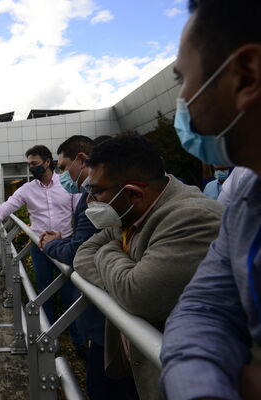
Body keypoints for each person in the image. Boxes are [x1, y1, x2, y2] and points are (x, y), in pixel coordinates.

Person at [160, 1, 261, 399]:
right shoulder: (246, 205)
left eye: (181, 80)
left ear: (245, 77)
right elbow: (203, 309)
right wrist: (202, 389)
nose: (182, 101)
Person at [72, 135, 223, 400]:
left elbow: (137, 294)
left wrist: (109, 250)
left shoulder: (192, 217)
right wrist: (123, 272)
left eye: (95, 192)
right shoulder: (131, 210)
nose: (89, 201)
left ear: (133, 193)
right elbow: (83, 254)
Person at [39, 135, 138, 400]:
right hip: (109, 320)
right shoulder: (100, 203)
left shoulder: (92, 202)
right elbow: (85, 248)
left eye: (63, 167)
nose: (93, 198)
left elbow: (80, 253)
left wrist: (50, 246)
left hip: (109, 325)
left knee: (106, 387)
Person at [0, 145, 79, 331]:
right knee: (44, 292)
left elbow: (78, 214)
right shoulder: (26, 190)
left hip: (66, 244)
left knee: (71, 293)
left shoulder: (67, 185)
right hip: (41, 247)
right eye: (29, 164)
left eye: (35, 163)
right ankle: (51, 334)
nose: (31, 168)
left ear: (47, 162)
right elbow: (2, 210)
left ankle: (77, 340)